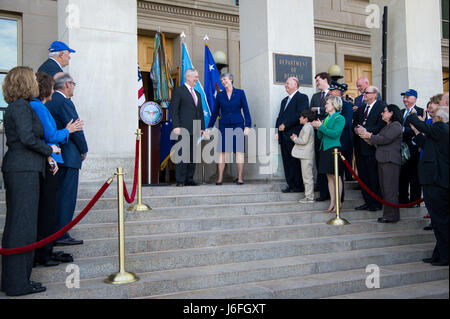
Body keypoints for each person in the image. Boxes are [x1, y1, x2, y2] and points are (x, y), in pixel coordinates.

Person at [1, 66, 60, 296]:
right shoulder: (20, 107)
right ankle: (17, 284)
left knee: (23, 226)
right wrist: (49, 149)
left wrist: (45, 155)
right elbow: (26, 138)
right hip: (23, 169)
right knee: (21, 227)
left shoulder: (20, 106)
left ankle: (18, 280)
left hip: (25, 167)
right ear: (26, 82)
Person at [30, 72, 84, 266]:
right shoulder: (51, 104)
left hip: (55, 158)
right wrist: (80, 145)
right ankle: (58, 235)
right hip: (61, 157)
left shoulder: (45, 105)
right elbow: (52, 134)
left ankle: (51, 241)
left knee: (55, 201)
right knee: (61, 200)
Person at [46, 73, 88, 246]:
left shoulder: (51, 100)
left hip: (58, 155)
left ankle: (56, 231)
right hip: (68, 155)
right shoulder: (64, 101)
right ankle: (61, 234)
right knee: (66, 197)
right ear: (68, 84)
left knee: (59, 196)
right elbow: (76, 128)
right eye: (74, 84)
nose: (74, 87)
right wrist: (84, 149)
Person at [408, 108, 449, 266]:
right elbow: (427, 145)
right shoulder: (439, 134)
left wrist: (413, 116)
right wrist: (417, 132)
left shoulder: (442, 127)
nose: (432, 119)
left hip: (436, 181)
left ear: (439, 117)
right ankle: (438, 255)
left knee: (440, 222)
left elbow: (425, 127)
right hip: (435, 181)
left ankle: (445, 257)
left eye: (434, 117)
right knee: (439, 221)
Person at [358, 104, 403, 223]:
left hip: (390, 161)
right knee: (385, 189)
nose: (382, 113)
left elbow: (384, 139)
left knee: (390, 190)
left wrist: (370, 135)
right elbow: (378, 141)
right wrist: (365, 136)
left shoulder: (396, 126)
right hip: (383, 159)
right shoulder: (387, 126)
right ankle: (389, 215)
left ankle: (391, 216)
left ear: (392, 113)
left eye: (385, 111)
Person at [207, 73, 251, 185]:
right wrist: (209, 128)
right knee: (222, 152)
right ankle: (220, 178)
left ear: (231, 79)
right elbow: (215, 113)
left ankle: (240, 178)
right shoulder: (220, 95)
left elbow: (246, 110)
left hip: (238, 125)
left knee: (239, 151)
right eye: (221, 80)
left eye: (225, 79)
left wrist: (248, 125)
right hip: (224, 125)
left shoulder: (240, 93)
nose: (223, 82)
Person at [170, 68, 205, 187]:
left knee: (192, 155)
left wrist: (202, 128)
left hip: (195, 129)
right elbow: (174, 110)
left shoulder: (198, 94)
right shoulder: (178, 91)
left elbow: (200, 112)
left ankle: (189, 179)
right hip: (183, 128)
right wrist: (176, 126)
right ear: (188, 77)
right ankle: (180, 180)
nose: (197, 79)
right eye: (195, 76)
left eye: (197, 76)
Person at [353, 86, 386, 211]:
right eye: (364, 92)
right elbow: (354, 124)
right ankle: (367, 201)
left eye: (366, 92)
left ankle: (376, 203)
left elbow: (382, 126)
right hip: (360, 148)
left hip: (373, 148)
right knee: (363, 177)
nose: (364, 94)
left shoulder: (382, 107)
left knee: (374, 177)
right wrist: (357, 129)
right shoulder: (361, 109)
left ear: (375, 94)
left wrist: (367, 131)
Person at [311, 96, 345, 213]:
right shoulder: (326, 118)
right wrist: (318, 128)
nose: (325, 106)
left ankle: (338, 202)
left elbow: (335, 134)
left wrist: (321, 127)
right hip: (324, 149)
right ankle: (332, 203)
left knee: (336, 176)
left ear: (334, 105)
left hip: (333, 149)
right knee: (329, 177)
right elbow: (321, 136)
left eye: (328, 104)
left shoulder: (339, 118)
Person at [275, 77, 309, 193]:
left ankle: (298, 186)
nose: (286, 85)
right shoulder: (284, 100)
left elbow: (300, 114)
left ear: (296, 84)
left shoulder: (302, 97)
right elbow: (280, 116)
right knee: (287, 162)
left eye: (288, 83)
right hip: (283, 136)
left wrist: (286, 124)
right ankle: (290, 185)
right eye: (285, 83)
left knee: (295, 162)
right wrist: (277, 130)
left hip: (294, 135)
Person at [398, 89, 423, 206]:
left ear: (414, 98)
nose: (405, 99)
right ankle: (403, 198)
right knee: (402, 175)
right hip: (401, 149)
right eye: (404, 97)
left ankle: (415, 200)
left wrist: (402, 130)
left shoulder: (420, 111)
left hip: (413, 149)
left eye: (407, 97)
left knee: (414, 176)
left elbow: (419, 128)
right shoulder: (401, 111)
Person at [310, 72, 331, 201]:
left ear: (325, 80)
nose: (317, 83)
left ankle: (332, 194)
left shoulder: (333, 94)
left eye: (318, 80)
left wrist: (318, 109)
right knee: (319, 162)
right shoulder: (315, 96)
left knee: (329, 164)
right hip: (318, 134)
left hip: (329, 134)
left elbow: (336, 108)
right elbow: (310, 111)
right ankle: (323, 191)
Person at [328, 81, 353, 184]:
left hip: (343, 142)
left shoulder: (346, 105)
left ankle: (340, 198)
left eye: (332, 91)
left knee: (340, 171)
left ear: (338, 92)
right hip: (332, 142)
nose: (330, 93)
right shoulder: (330, 106)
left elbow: (347, 123)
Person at [291, 109, 316, 203]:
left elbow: (304, 141)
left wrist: (295, 138)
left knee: (307, 177)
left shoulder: (307, 127)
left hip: (306, 156)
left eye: (301, 117)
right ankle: (309, 196)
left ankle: (309, 197)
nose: (299, 118)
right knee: (307, 176)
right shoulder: (308, 127)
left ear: (306, 118)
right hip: (307, 155)